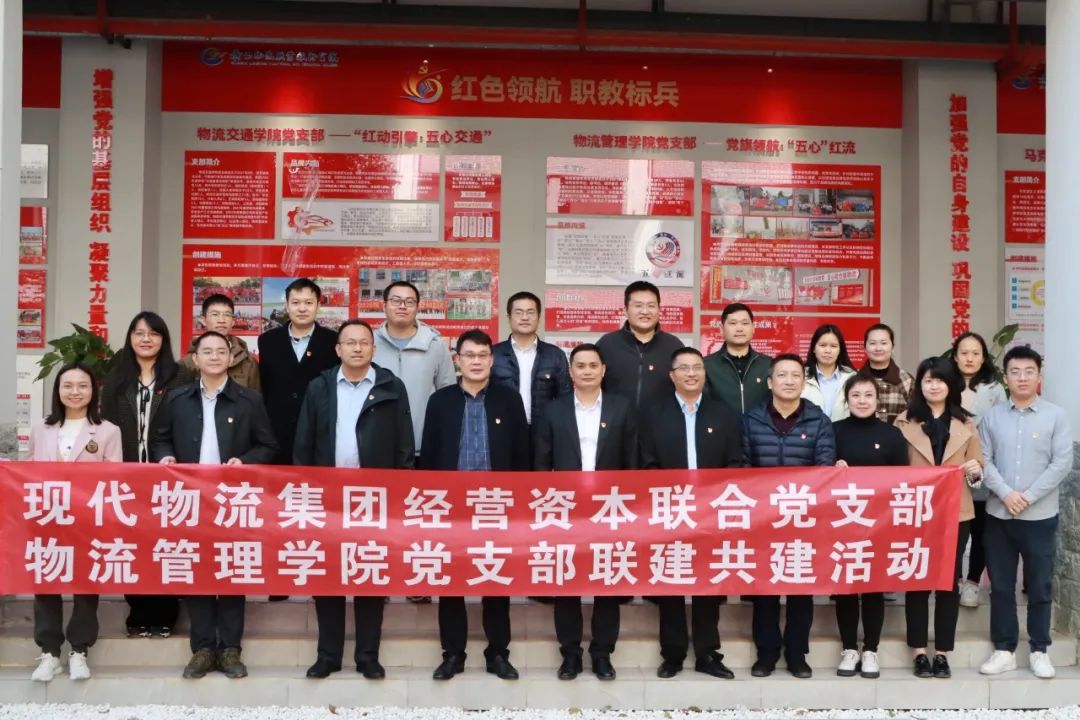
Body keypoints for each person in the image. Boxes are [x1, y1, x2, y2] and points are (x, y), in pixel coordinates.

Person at [153, 331, 279, 680]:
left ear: (230, 357)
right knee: (198, 570)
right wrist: (166, 456)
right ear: (195, 360)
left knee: (232, 569)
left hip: (232, 501)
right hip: (191, 500)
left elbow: (268, 445)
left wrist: (245, 461)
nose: (213, 357)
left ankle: (230, 649)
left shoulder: (248, 400)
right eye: (206, 351)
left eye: (220, 351)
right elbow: (160, 438)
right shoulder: (177, 398)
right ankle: (203, 648)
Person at [293, 319, 415, 680]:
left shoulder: (391, 386)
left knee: (370, 573)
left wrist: (399, 492)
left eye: (364, 342)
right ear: (338, 349)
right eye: (350, 342)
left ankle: (367, 655)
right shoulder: (320, 386)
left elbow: (404, 444)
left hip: (374, 497)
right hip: (328, 496)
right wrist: (307, 490)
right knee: (328, 574)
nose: (357, 348)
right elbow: (304, 442)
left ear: (373, 349)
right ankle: (328, 655)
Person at [420, 329, 530, 681]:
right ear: (458, 359)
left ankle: (498, 653)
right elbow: (429, 456)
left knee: (495, 578)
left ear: (492, 360)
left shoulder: (509, 400)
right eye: (470, 355)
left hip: (497, 506)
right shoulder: (440, 401)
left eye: (483, 355)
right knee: (451, 582)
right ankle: (453, 654)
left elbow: (522, 456)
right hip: (450, 507)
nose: (477, 362)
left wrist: (520, 505)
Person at [640, 347, 744, 680]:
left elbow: (736, 461)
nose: (691, 373)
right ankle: (672, 654)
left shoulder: (723, 413)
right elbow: (645, 460)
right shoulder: (652, 413)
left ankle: (707, 653)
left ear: (704, 373)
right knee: (671, 579)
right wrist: (668, 496)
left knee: (708, 583)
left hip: (711, 510)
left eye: (697, 367)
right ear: (672, 376)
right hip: (669, 508)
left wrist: (716, 497)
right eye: (683, 368)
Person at [533, 343, 635, 681]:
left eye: (593, 365)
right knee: (567, 582)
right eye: (580, 365)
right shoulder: (553, 410)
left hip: (611, 507)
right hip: (566, 508)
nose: (587, 371)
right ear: (571, 372)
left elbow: (632, 460)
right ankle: (570, 654)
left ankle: (602, 654)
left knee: (608, 582)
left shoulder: (622, 407)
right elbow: (541, 463)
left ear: (603, 370)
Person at [978, 346, 1073, 680]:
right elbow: (983, 460)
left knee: (1040, 585)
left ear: (1039, 376)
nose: (1022, 378)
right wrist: (1006, 493)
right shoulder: (992, 417)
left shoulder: (1056, 416)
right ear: (1005, 377)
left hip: (1040, 517)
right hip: (999, 515)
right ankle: (1004, 649)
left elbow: (1062, 462)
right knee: (1001, 586)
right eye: (1015, 372)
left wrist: (1028, 497)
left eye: (1029, 371)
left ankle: (1039, 650)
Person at [742, 353, 836, 679]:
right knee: (764, 590)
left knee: (800, 590)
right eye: (782, 375)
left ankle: (797, 655)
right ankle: (766, 654)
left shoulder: (818, 420)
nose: (789, 381)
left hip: (803, 518)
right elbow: (742, 466)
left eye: (796, 375)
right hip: (762, 519)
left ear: (804, 382)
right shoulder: (751, 420)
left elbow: (825, 468)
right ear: (770, 382)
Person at [100, 311, 194, 638]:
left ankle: (165, 611)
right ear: (130, 338)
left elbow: (188, 423)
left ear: (163, 339)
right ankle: (138, 609)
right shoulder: (116, 377)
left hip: (167, 474)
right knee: (132, 543)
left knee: (165, 542)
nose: (145, 339)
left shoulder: (181, 376)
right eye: (139, 333)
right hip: (126, 474)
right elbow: (106, 425)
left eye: (153, 333)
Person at [29, 363, 123, 682]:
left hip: (87, 519)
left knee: (86, 583)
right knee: (46, 580)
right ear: (57, 390)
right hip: (47, 517)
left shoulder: (108, 431)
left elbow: (114, 478)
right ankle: (49, 651)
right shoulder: (41, 429)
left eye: (82, 385)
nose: (75, 392)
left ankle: (79, 649)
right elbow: (27, 472)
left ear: (93, 391)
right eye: (67, 385)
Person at [894, 356, 982, 680]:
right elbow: (892, 471)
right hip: (914, 512)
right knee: (917, 579)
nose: (934, 386)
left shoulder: (966, 423)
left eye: (940, 380)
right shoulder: (904, 422)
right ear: (919, 384)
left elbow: (977, 475)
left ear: (951, 385)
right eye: (928, 380)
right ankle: (918, 652)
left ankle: (942, 652)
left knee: (948, 583)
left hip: (955, 513)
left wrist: (975, 470)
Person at [831, 373, 908, 679]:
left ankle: (871, 649)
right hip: (843, 521)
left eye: (868, 395)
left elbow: (902, 481)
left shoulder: (892, 435)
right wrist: (833, 469)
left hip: (879, 523)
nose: (862, 401)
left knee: (874, 587)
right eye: (856, 396)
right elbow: (820, 472)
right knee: (846, 587)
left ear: (877, 400)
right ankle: (849, 648)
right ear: (847, 400)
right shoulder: (834, 431)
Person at [950, 331, 1007, 608]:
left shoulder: (994, 389)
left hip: (981, 466)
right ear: (955, 356)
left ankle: (973, 582)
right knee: (954, 529)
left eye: (975, 353)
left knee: (981, 528)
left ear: (983, 358)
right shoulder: (944, 384)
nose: (969, 358)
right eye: (964, 353)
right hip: (951, 468)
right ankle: (954, 580)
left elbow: (1001, 430)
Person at [258, 278, 338, 464]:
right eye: (295, 303)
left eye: (308, 303)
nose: (302, 309)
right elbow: (265, 385)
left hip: (319, 430)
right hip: (277, 432)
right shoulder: (268, 341)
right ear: (286, 306)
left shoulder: (333, 341)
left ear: (318, 305)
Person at [372, 280, 457, 455]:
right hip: (377, 443)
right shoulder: (369, 344)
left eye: (409, 302)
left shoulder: (435, 345)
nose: (402, 306)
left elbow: (448, 394)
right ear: (384, 305)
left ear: (417, 307)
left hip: (423, 443)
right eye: (396, 301)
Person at [595, 281, 683, 415]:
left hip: (662, 425)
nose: (645, 311)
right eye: (638, 305)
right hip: (615, 425)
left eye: (651, 306)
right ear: (625, 310)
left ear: (659, 309)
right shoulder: (607, 344)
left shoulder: (674, 346)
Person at [492, 291, 571, 428]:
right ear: (509, 317)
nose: (525, 317)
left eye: (530, 312)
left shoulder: (555, 355)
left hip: (544, 430)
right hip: (503, 428)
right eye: (518, 312)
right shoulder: (494, 354)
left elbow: (565, 399)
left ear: (539, 317)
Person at [181, 293, 261, 390]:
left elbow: (256, 397)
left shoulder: (249, 363)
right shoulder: (186, 363)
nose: (221, 320)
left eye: (227, 315)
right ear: (203, 320)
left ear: (233, 322)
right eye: (215, 314)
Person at [705, 303, 772, 414]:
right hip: (722, 425)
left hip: (759, 425)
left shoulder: (769, 365)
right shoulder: (706, 366)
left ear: (753, 328)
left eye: (745, 323)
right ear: (721, 329)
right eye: (733, 323)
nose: (739, 328)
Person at [860, 323, 914, 424]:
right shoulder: (855, 379)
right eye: (872, 343)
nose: (878, 348)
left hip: (898, 434)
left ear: (893, 347)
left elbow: (915, 417)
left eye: (883, 343)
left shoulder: (906, 380)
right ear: (865, 348)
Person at [802, 324, 857, 420]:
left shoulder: (852, 377)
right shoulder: (801, 376)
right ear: (814, 348)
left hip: (843, 429)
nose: (827, 350)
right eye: (823, 345)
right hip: (809, 429)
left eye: (833, 346)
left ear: (840, 350)